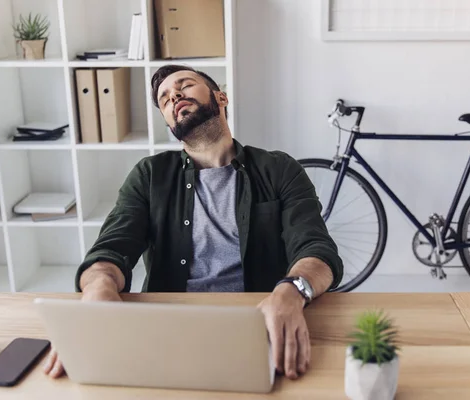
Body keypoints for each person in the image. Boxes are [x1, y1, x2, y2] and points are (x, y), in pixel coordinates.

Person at [43, 65, 343, 381]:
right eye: (164, 99)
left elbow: (317, 250)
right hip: (167, 328)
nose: (174, 95)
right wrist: (98, 287)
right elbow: (112, 248)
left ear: (221, 97)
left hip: (260, 323)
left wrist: (292, 291)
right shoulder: (149, 175)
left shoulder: (278, 169)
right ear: (168, 121)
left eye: (185, 85)